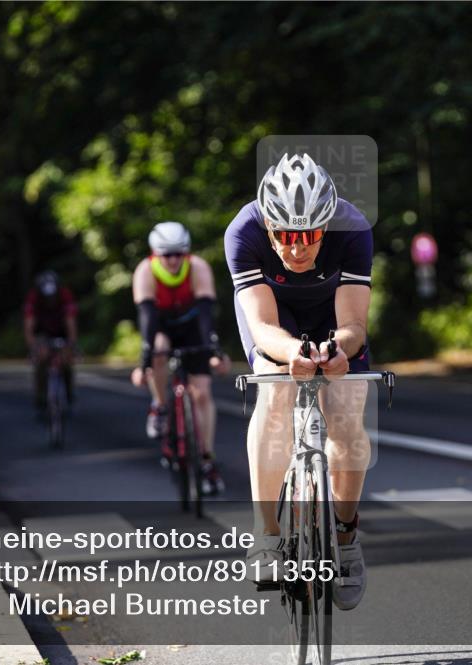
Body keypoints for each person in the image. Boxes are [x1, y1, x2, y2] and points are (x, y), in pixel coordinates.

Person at [225, 152, 374, 610]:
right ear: (268, 228)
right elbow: (263, 326)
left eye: (308, 235)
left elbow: (353, 323)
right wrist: (293, 353)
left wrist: (336, 350)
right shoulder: (242, 233)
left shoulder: (354, 229)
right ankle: (267, 535)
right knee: (274, 393)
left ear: (325, 226)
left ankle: (345, 537)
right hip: (276, 319)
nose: (296, 248)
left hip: (332, 315)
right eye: (285, 236)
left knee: (347, 412)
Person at [131, 221, 229, 495]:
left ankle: (207, 460)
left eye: (178, 253)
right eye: (166, 254)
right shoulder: (145, 271)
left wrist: (214, 350)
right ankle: (161, 406)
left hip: (192, 327)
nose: (173, 260)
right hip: (161, 326)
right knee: (159, 348)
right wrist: (144, 362)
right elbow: (148, 320)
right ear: (155, 253)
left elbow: (207, 315)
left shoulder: (197, 267)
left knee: (202, 394)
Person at [23, 270, 78, 417]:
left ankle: (68, 392)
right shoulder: (34, 298)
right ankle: (41, 397)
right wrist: (33, 346)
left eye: (52, 297)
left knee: (66, 361)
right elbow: (29, 327)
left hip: (61, 330)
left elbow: (70, 323)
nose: (50, 300)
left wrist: (71, 344)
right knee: (41, 358)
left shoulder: (65, 295)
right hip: (42, 331)